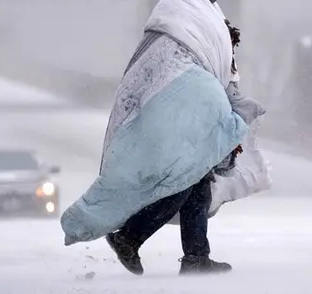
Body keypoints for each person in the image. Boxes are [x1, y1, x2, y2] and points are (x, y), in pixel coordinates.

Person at [60, 0, 264, 276]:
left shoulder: (163, 31)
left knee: (195, 183)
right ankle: (130, 236)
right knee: (182, 180)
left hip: (160, 116)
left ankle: (196, 256)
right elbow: (222, 81)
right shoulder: (209, 30)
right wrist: (229, 124)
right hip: (180, 115)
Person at [105, 14, 247, 276]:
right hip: (184, 128)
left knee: (197, 190)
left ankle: (196, 256)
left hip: (187, 127)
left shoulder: (192, 38)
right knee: (182, 187)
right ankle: (129, 238)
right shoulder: (201, 43)